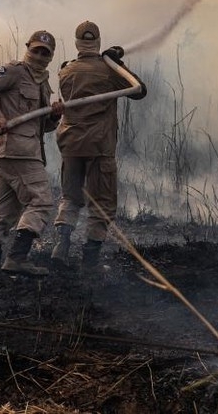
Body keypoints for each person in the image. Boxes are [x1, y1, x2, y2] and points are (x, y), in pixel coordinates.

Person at [51, 20, 147, 273]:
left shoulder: (65, 71)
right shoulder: (108, 71)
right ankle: (90, 262)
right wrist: (116, 62)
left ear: (76, 43)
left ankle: (61, 244)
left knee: (70, 197)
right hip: (99, 145)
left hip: (70, 144)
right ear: (99, 42)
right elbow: (139, 91)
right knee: (102, 202)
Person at [0, 30, 63, 283]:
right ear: (28, 48)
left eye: (45, 52)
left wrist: (55, 115)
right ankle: (17, 258)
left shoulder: (43, 83)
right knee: (42, 201)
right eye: (36, 50)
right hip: (16, 152)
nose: (39, 55)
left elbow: (40, 126)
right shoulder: (14, 71)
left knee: (3, 212)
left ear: (51, 56)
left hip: (20, 152)